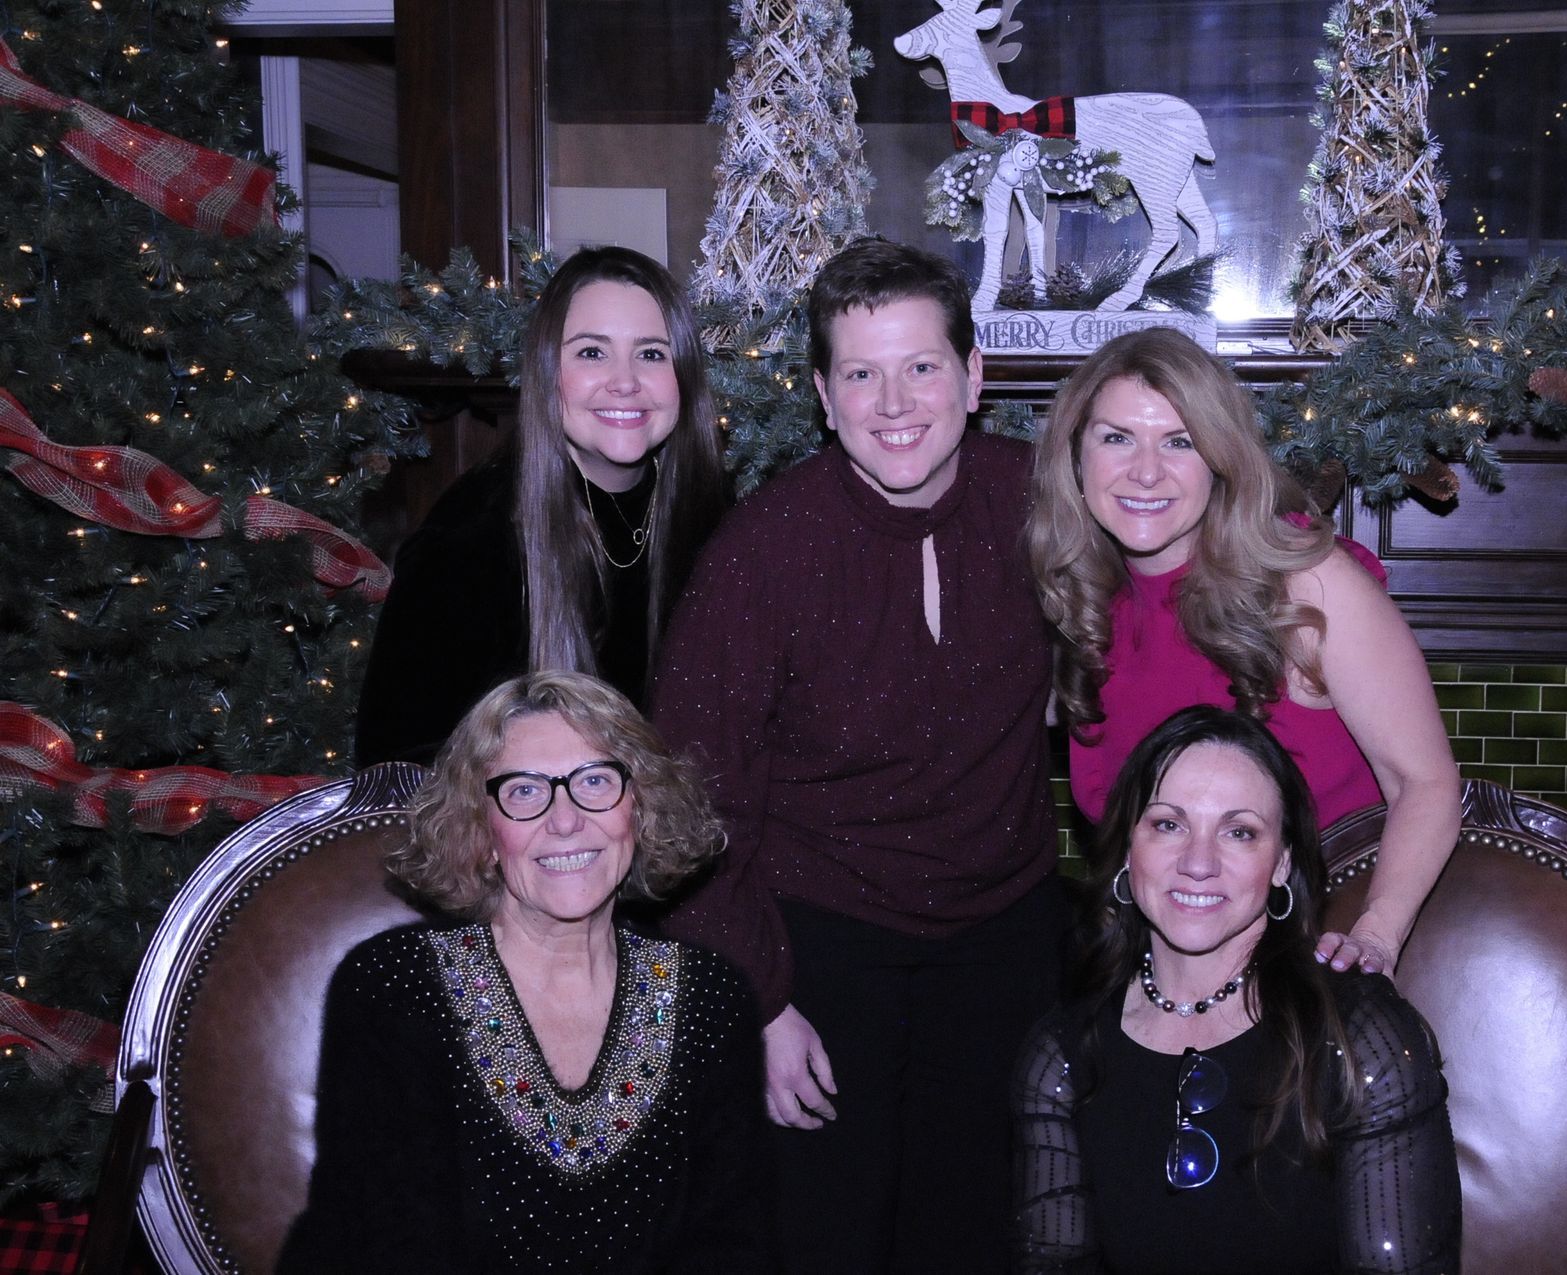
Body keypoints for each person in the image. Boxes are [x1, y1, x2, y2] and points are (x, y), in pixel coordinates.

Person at [650, 238, 1065, 1273]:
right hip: (819, 946)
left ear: (973, 379)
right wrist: (762, 1001)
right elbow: (690, 804)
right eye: (862, 374)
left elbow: (1189, 536)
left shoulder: (1048, 507)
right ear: (825, 398)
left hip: (1004, 940)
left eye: (922, 366)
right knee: (824, 1238)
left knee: (977, 1236)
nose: (895, 403)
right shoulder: (761, 554)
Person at [281, 671, 772, 1272]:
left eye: (596, 781)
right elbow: (383, 1243)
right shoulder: (394, 987)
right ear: (482, 830)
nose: (564, 820)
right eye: (523, 792)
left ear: (639, 811)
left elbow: (732, 1246)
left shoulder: (711, 999)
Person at [1028, 327, 1460, 975]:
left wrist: (1373, 936)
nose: (1145, 471)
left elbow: (1425, 782)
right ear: (1075, 457)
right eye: (1117, 437)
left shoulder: (1305, 581)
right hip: (1168, 967)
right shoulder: (1079, 603)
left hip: (1325, 954)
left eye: (1180, 442)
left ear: (1221, 459)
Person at [1013, 705, 1461, 1274]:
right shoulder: (1061, 1056)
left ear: (1281, 863)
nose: (1198, 863)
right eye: (1168, 824)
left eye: (1240, 831)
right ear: (1129, 847)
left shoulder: (1360, 1037)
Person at [353, 247, 729, 766]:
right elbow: (400, 765)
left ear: (683, 376)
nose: (625, 381)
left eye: (651, 353)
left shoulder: (719, 517)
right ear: (547, 372)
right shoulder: (471, 536)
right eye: (592, 353)